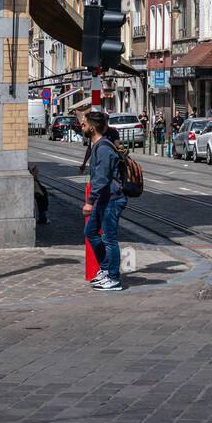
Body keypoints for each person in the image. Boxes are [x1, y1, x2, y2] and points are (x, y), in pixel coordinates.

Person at [82, 109, 127, 291]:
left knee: (109, 238)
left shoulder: (104, 148)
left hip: (112, 199)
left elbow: (101, 179)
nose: (81, 126)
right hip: (104, 199)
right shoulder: (97, 146)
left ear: (92, 128)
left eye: (84, 124)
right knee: (90, 232)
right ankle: (106, 269)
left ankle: (114, 278)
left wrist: (89, 202)